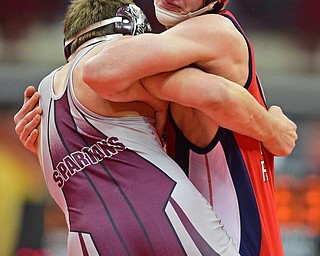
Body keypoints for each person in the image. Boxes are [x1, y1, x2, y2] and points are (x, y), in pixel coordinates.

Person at [13, 0, 298, 255]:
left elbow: (99, 70)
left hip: (240, 237)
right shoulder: (173, 57)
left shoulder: (213, 28)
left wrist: (273, 131)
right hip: (216, 233)